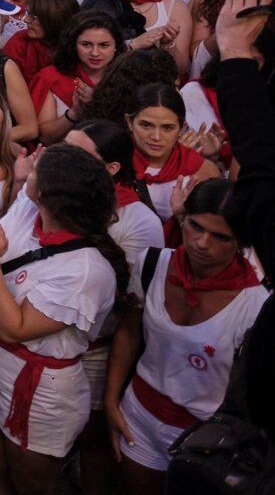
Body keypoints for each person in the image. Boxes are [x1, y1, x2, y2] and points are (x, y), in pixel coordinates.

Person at [0, 143, 126, 495]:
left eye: (37, 168)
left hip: (40, 385)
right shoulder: (28, 206)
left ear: (51, 197)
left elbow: (14, 328)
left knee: (31, 484)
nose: (32, 163)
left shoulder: (87, 271)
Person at [105, 176, 267, 489]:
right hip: (139, 416)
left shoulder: (256, 306)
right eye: (195, 226)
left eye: (220, 237)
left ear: (241, 242)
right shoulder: (152, 264)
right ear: (183, 218)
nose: (202, 243)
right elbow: (128, 333)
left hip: (208, 439)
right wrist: (111, 401)